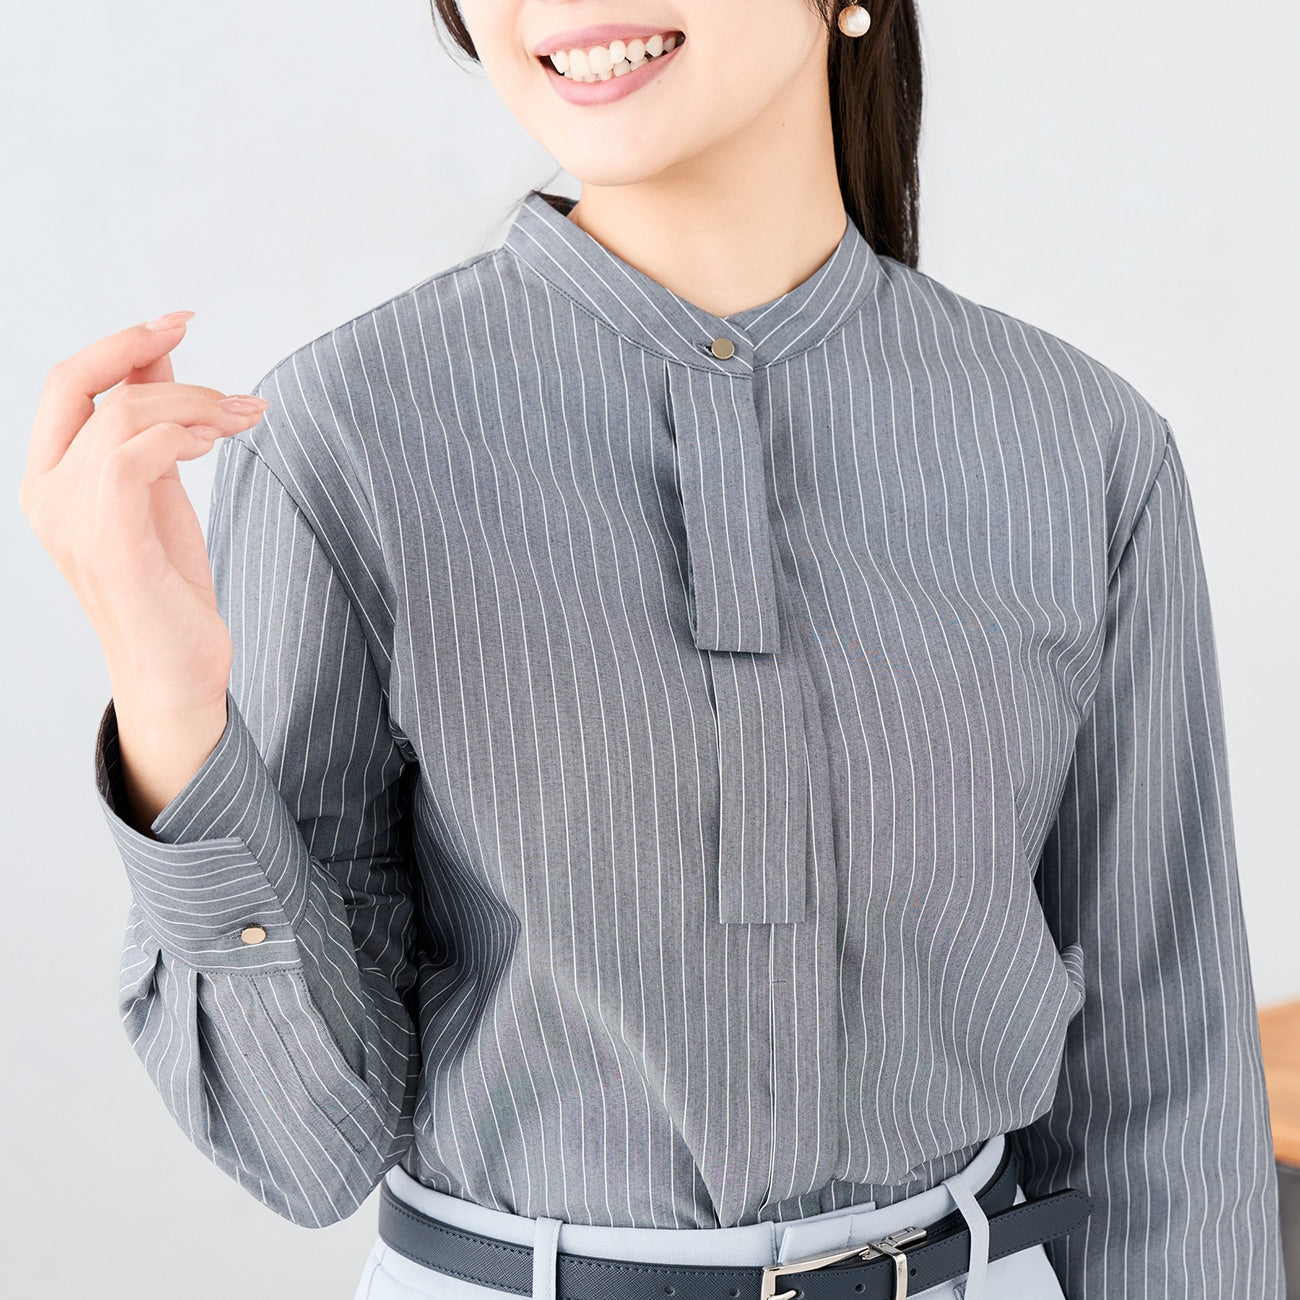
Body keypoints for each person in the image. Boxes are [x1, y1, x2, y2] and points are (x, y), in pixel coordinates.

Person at [20, 2, 1285, 1298]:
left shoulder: (1078, 445)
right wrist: (171, 711)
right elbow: (304, 1151)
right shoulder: (341, 438)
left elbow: (1165, 1079)